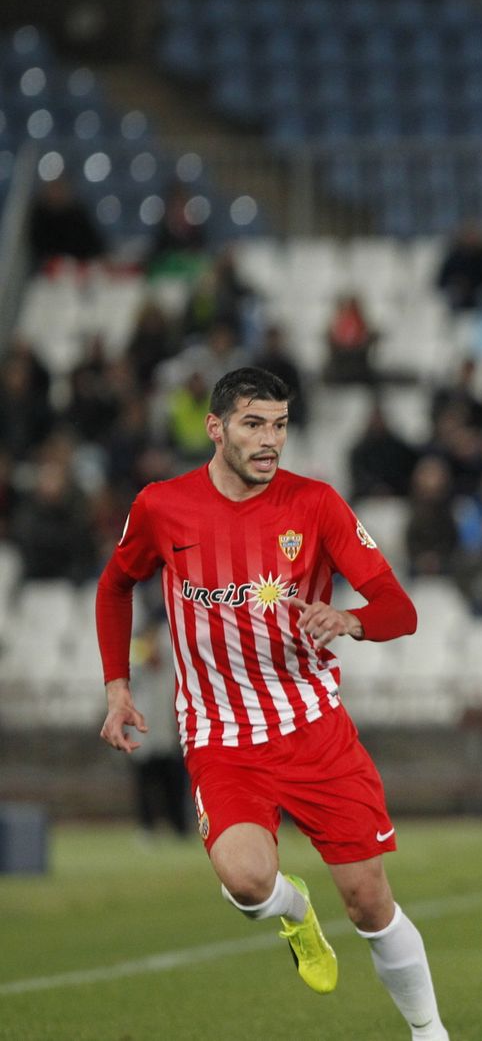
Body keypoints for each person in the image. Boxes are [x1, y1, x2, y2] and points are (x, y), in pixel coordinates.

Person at [95, 367, 448, 1040]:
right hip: (221, 737)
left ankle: (430, 1032)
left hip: (313, 730)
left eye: (280, 425)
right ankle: (294, 910)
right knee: (249, 880)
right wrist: (117, 686)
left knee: (370, 901)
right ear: (216, 426)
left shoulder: (315, 504)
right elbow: (114, 586)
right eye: (254, 424)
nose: (270, 440)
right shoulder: (162, 506)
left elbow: (399, 608)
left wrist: (351, 619)